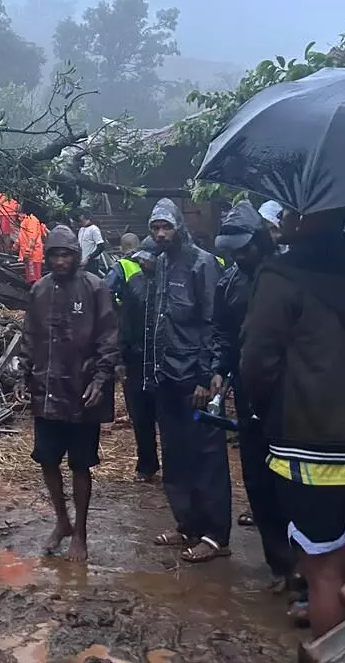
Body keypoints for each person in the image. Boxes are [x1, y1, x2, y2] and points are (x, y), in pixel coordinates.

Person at [240, 208, 345, 638]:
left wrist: (266, 407)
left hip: (307, 436)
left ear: (303, 216)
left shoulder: (281, 275)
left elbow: (257, 359)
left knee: (322, 573)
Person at [19, 225, 119, 562]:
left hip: (81, 390)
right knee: (46, 458)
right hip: (47, 390)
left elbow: (109, 338)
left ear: (77, 256)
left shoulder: (95, 288)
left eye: (66, 254)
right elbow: (30, 335)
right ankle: (61, 521)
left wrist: (101, 379)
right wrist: (24, 373)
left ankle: (81, 532)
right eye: (54, 255)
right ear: (46, 258)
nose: (60, 261)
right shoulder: (39, 290)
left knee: (80, 464)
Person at [143, 197, 233, 564]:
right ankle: (188, 525)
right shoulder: (161, 264)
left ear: (180, 227)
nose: (161, 233)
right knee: (175, 454)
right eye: (155, 228)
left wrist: (203, 375)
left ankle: (216, 535)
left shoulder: (202, 263)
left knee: (207, 457)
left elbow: (212, 322)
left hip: (194, 379)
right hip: (166, 376)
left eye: (166, 227)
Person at [212, 201, 293, 593]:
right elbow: (224, 334)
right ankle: (279, 564)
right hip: (248, 395)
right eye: (233, 251)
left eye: (245, 248)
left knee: (292, 483)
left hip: (291, 394)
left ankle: (304, 566)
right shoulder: (230, 282)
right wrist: (216, 369)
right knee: (258, 481)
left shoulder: (290, 272)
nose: (239, 256)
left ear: (261, 241)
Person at [106, 238, 158, 482]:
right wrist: (119, 359)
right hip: (136, 357)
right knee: (140, 415)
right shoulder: (133, 283)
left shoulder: (172, 282)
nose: (143, 262)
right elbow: (124, 324)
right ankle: (146, 464)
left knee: (167, 417)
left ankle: (175, 468)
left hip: (164, 360)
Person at [17, 211, 48, 284]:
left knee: (34, 278)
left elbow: (32, 238)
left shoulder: (31, 220)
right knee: (31, 277)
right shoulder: (26, 220)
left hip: (32, 255)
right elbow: (21, 236)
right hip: (29, 254)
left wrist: (28, 253)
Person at [76, 209, 107, 275]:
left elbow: (101, 246)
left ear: (83, 216)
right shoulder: (81, 229)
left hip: (92, 262)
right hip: (82, 262)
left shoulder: (94, 229)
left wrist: (89, 257)